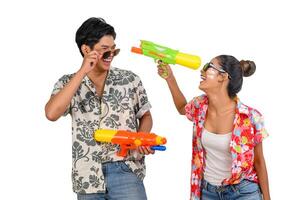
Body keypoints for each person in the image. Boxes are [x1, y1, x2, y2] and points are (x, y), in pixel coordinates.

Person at [45, 17, 153, 200]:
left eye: (113, 51)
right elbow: (51, 113)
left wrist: (141, 138)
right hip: (87, 176)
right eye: (105, 51)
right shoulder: (67, 83)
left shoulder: (130, 79)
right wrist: (82, 72)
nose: (110, 55)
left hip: (126, 168)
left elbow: (146, 115)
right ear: (86, 49)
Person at [157, 55, 270, 200]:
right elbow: (181, 108)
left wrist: (267, 198)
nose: (202, 71)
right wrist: (169, 77)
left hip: (243, 192)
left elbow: (259, 161)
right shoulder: (199, 106)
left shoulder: (251, 117)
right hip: (208, 192)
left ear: (223, 77)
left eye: (208, 66)